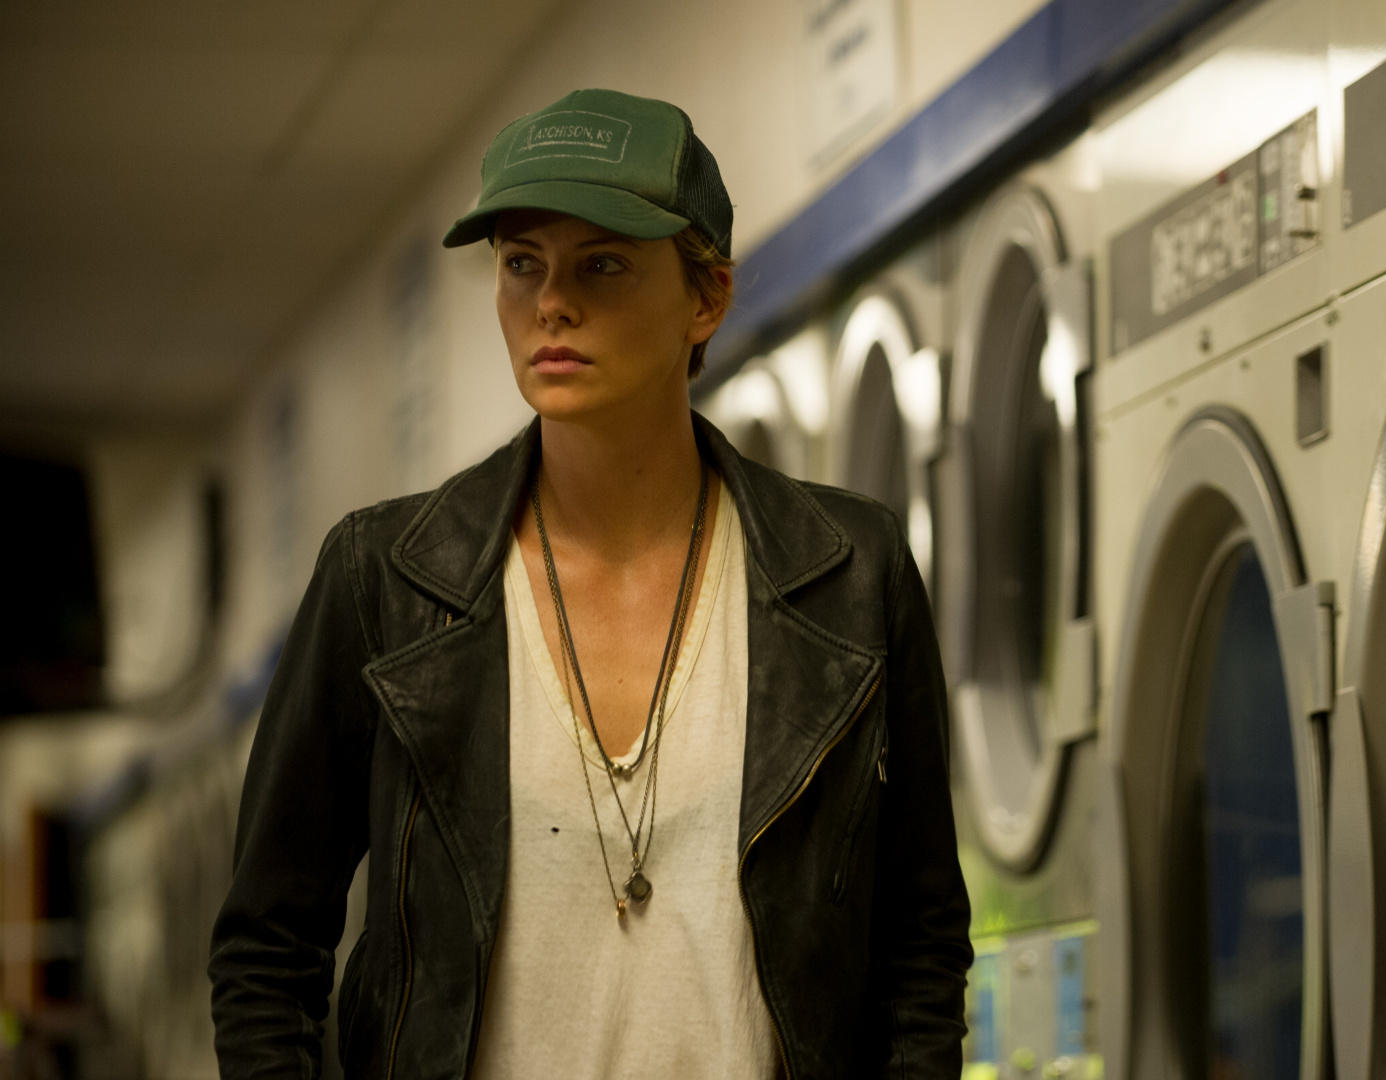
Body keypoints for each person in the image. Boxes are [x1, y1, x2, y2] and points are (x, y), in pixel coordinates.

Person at [209, 88, 971, 1079]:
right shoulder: (385, 581)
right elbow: (268, 944)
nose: (551, 303)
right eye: (522, 264)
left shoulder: (846, 569)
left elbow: (921, 941)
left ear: (707, 296)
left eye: (602, 265)